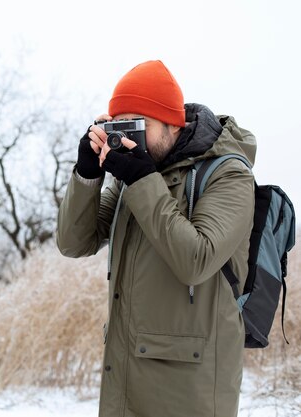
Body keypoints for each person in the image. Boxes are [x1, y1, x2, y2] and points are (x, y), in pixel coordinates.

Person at [57, 60, 255, 417]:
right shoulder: (133, 178)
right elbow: (74, 243)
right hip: (125, 379)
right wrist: (87, 174)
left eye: (139, 124)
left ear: (172, 123)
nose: (128, 137)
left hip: (189, 392)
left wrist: (142, 180)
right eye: (120, 125)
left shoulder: (228, 174)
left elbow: (196, 260)